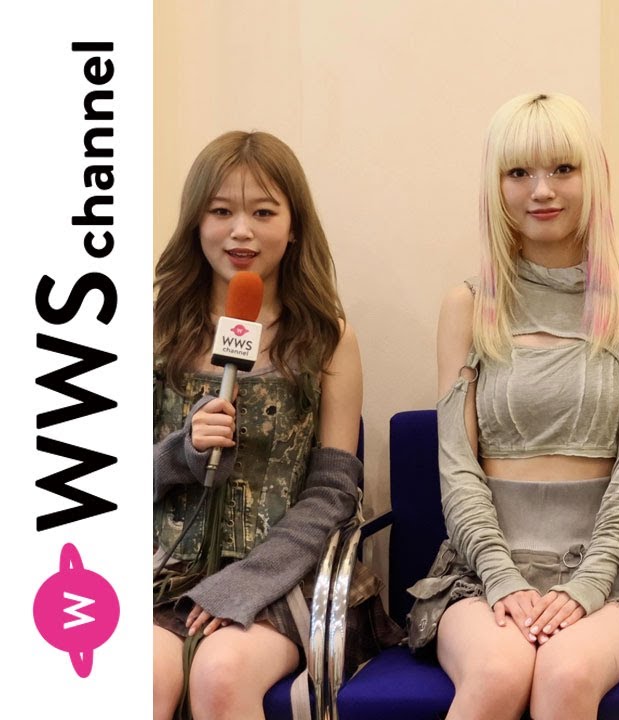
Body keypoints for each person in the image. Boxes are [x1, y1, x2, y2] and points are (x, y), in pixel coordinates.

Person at [404, 92, 619, 720]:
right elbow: (457, 465)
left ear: (593, 174)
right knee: (498, 673)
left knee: (566, 672)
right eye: (519, 172)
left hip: (610, 569)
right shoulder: (467, 305)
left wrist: (589, 584)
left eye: (562, 169)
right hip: (481, 568)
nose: (542, 191)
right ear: (495, 185)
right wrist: (500, 575)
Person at [152, 131, 391, 719]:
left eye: (263, 212)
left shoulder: (329, 337)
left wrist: (250, 581)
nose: (242, 231)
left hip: (288, 575)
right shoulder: (153, 328)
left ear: (294, 226)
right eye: (221, 212)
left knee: (220, 672)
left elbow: (334, 493)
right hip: (166, 572)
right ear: (196, 222)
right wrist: (180, 454)